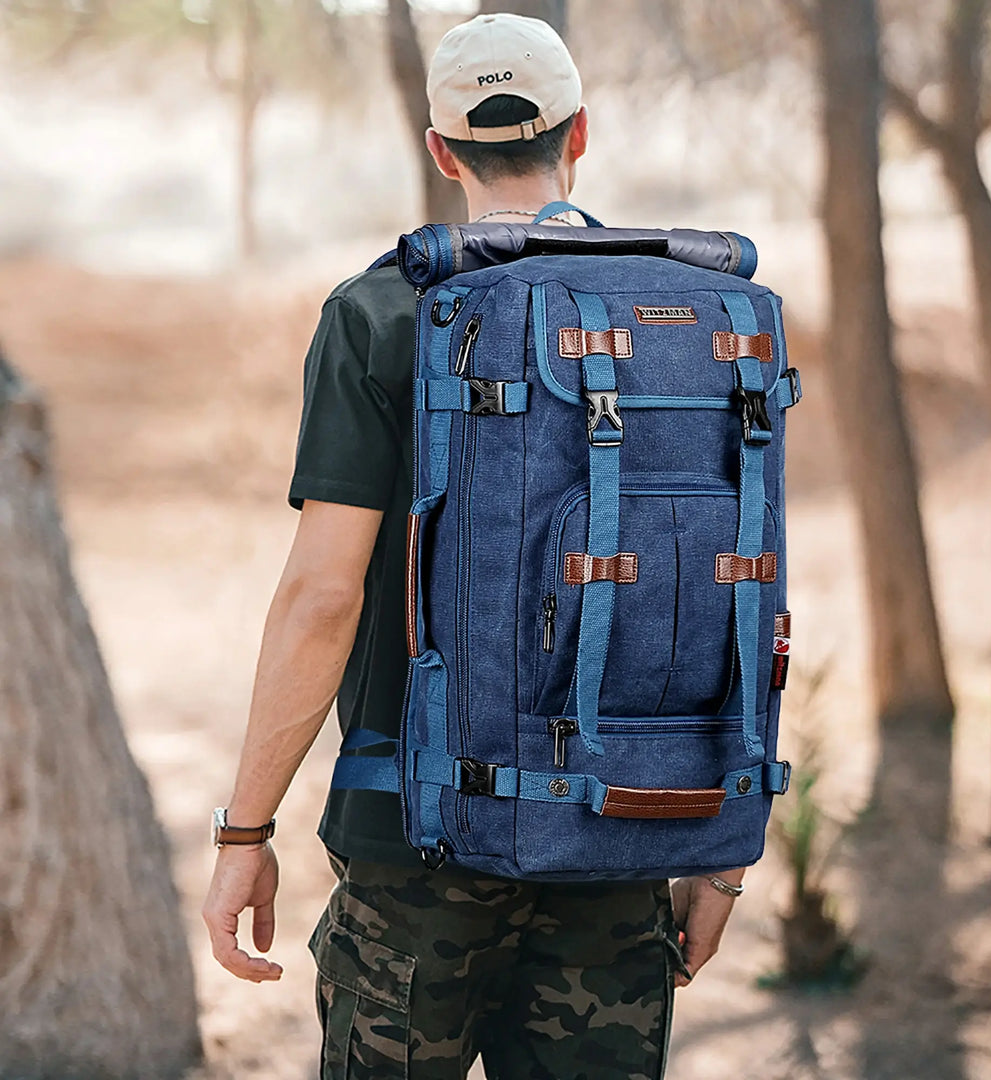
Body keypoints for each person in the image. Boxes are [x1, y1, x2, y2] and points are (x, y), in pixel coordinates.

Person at [202, 12, 747, 1078]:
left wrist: (243, 835)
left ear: (440, 148)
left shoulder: (379, 312)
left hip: (414, 846)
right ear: (579, 135)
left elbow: (322, 597)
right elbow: (729, 586)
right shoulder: (687, 317)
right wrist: (719, 857)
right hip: (620, 822)